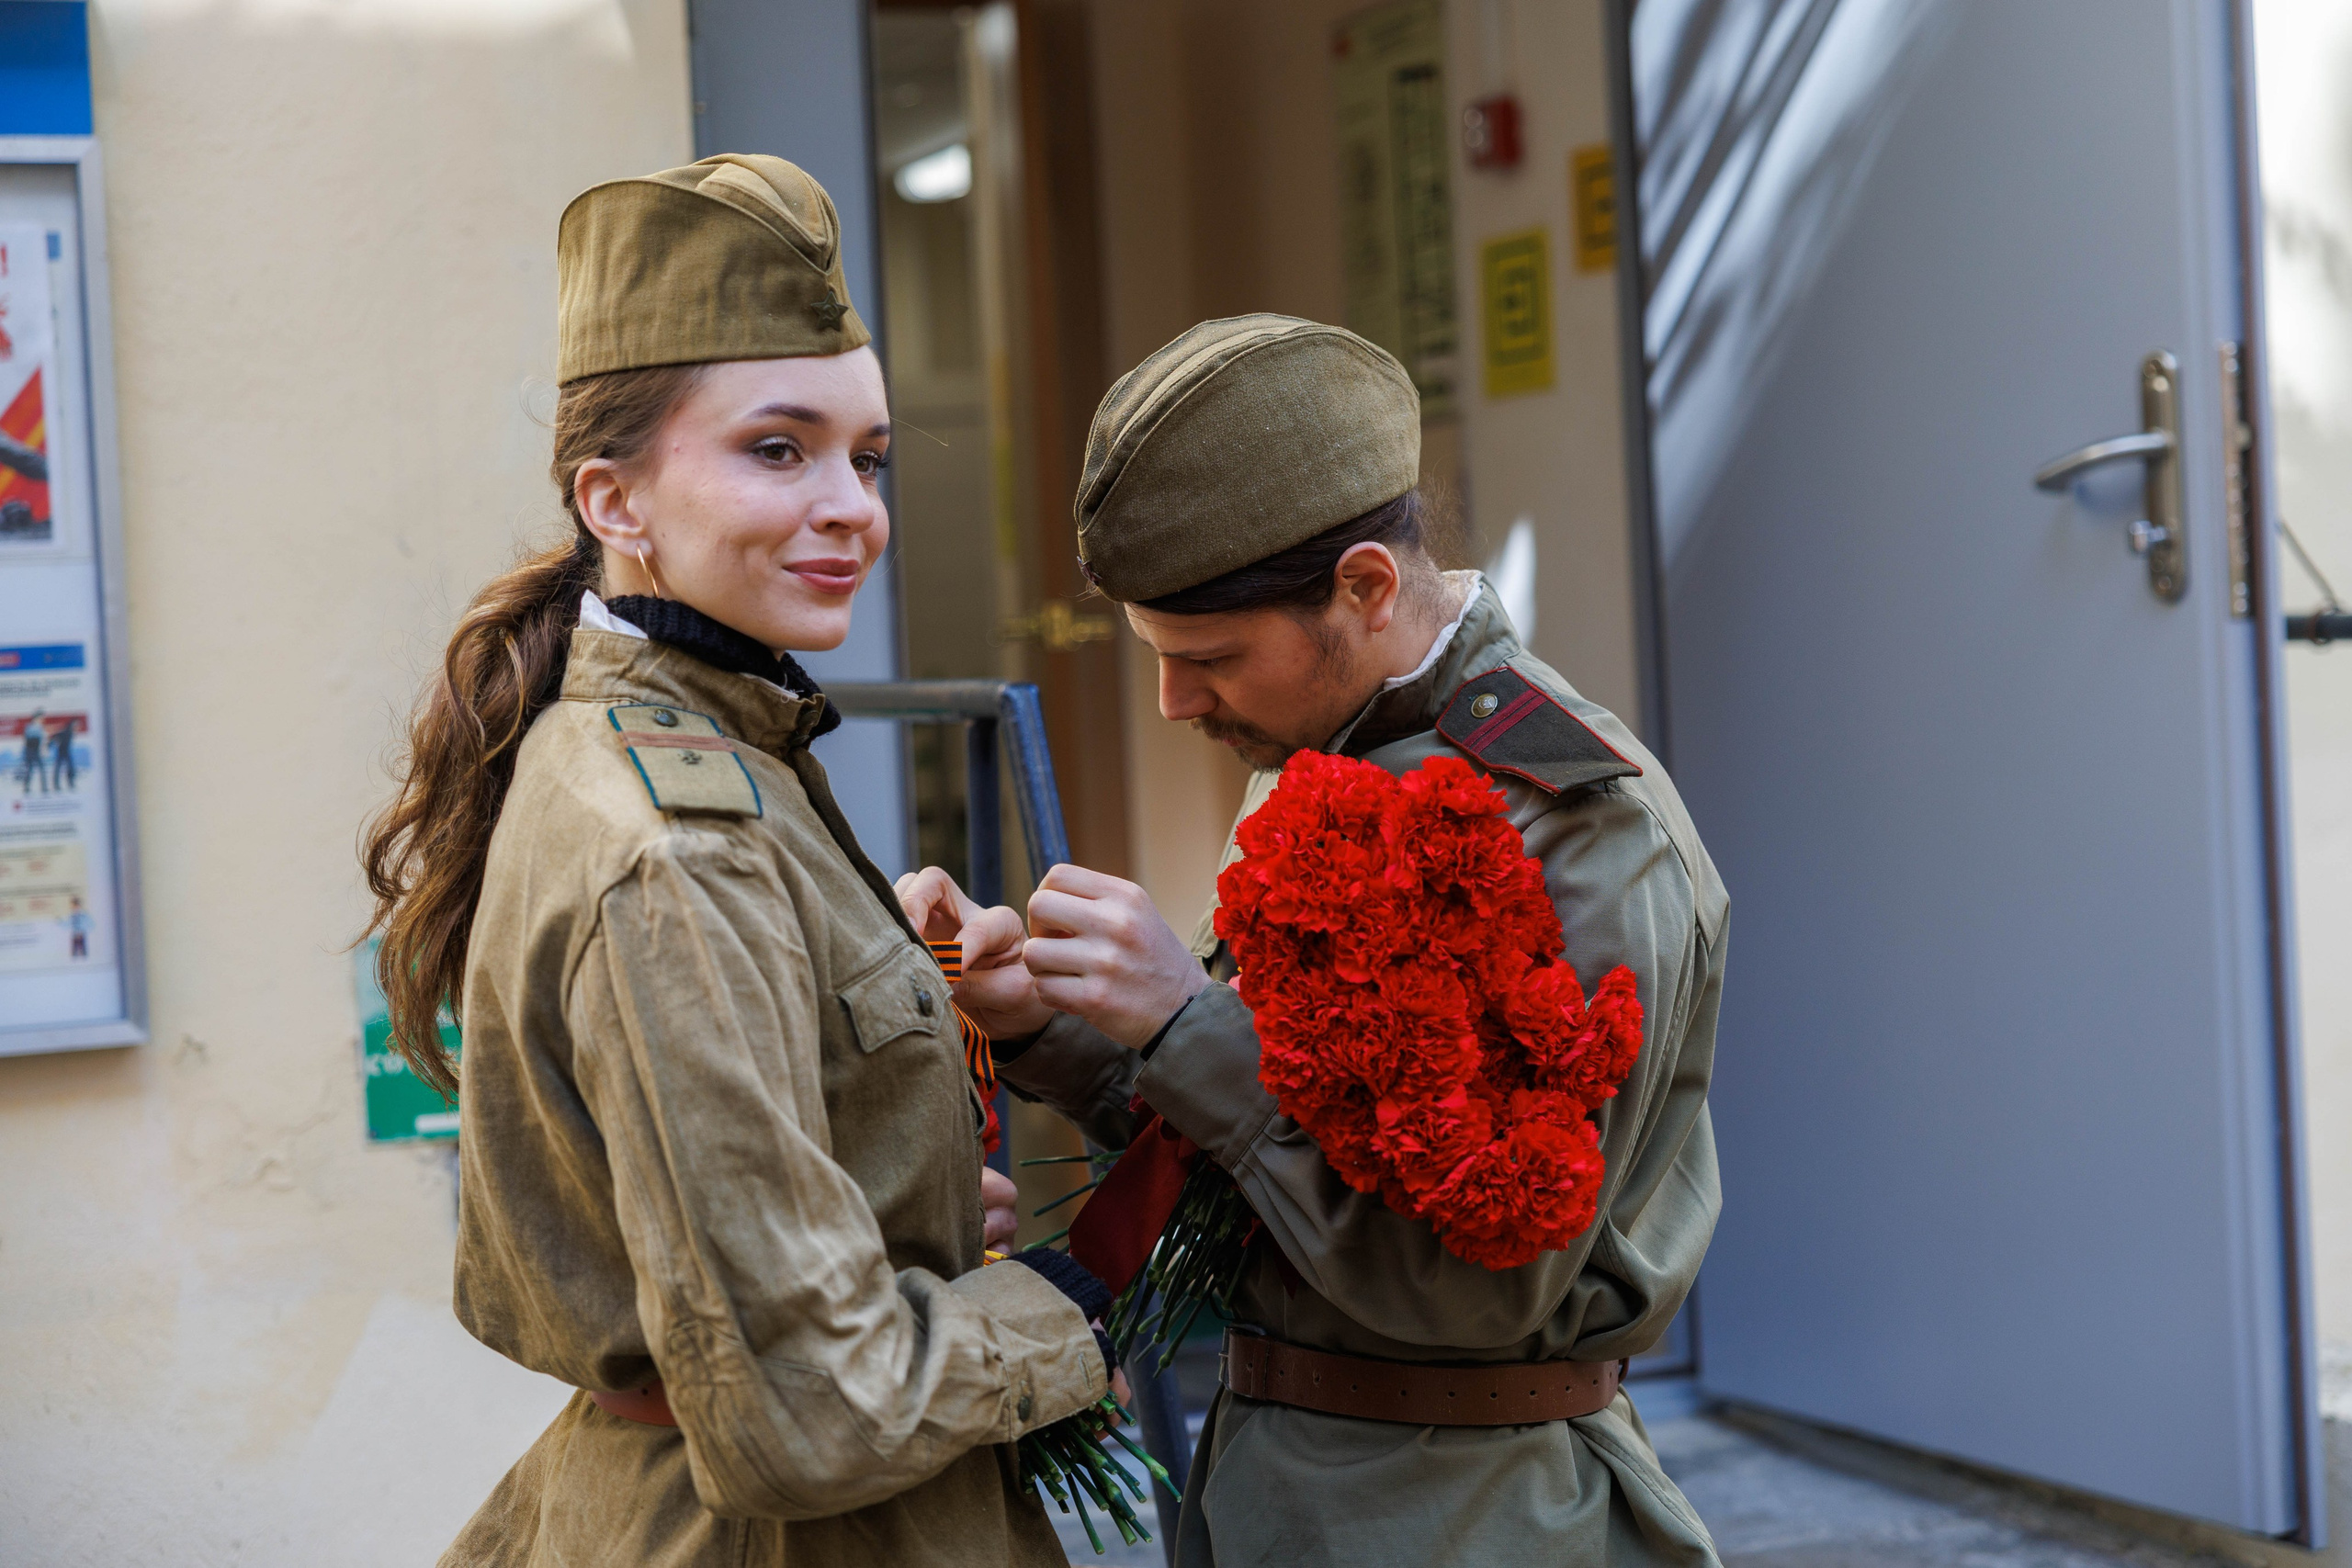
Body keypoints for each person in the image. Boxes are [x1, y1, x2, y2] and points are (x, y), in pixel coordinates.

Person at [359, 154, 1112, 1568]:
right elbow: (806, 1406)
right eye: (780, 448)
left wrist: (881, 992)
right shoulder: (670, 844)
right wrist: (1088, 1290)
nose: (851, 507)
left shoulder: (699, 743)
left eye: (868, 457)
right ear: (614, 500)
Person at [905, 315, 1727, 1566]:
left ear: (1367, 589)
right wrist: (1050, 1021)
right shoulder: (1326, 763)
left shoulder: (1573, 828)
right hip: (1281, 1494)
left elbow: (1475, 1289)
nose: (1177, 703)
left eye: (1212, 659)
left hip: (1462, 1516)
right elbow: (1260, 1162)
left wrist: (1186, 1018)